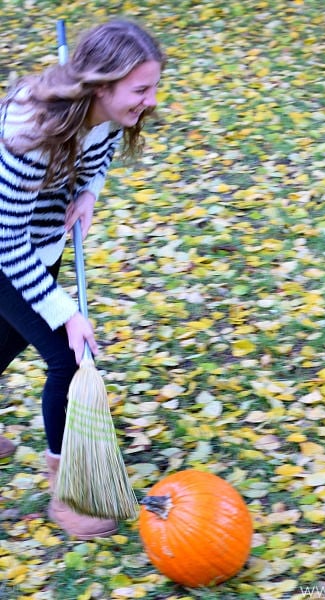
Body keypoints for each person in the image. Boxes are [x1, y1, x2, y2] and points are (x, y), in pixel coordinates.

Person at [0, 19, 164, 539]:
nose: (152, 101)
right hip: (4, 246)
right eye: (141, 89)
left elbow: (101, 150)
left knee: (8, 338)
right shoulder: (29, 132)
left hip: (36, 242)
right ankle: (67, 492)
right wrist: (65, 311)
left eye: (155, 86)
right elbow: (6, 244)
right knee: (67, 356)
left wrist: (88, 192)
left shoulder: (106, 114)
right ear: (101, 84)